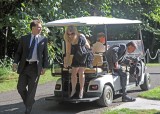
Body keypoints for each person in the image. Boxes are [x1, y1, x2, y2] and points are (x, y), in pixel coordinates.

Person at [12, 20, 49, 114]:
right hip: (25, 66)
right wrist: (15, 62)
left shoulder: (43, 39)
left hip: (35, 68)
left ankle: (28, 108)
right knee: (20, 88)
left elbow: (46, 55)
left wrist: (44, 67)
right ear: (33, 28)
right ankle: (30, 101)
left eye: (41, 27)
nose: (40, 29)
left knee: (32, 89)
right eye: (39, 27)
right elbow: (18, 52)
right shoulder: (24, 38)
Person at [64, 25, 90, 99]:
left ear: (75, 32)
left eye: (72, 34)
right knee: (73, 72)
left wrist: (84, 46)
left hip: (84, 56)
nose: (70, 35)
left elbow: (88, 46)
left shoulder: (81, 36)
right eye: (68, 34)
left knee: (81, 72)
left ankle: (81, 90)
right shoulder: (68, 40)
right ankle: (73, 89)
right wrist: (66, 62)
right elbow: (68, 52)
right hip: (76, 56)